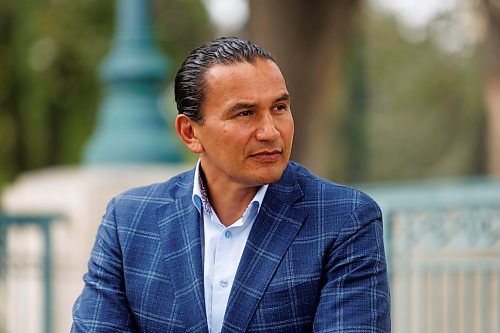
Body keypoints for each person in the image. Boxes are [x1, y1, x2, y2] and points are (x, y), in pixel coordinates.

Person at [72, 36, 391, 333]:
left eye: (279, 108)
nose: (270, 131)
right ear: (190, 133)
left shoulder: (346, 219)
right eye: (245, 113)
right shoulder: (128, 221)